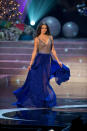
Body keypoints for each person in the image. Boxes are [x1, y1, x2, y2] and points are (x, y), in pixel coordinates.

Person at [13, 23, 70, 108]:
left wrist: (58, 61)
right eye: (42, 28)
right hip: (39, 60)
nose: (44, 29)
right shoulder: (37, 38)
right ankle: (42, 99)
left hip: (47, 60)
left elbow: (53, 50)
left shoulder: (50, 37)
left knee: (45, 80)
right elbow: (34, 51)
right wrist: (30, 64)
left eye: (45, 28)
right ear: (40, 29)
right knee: (37, 80)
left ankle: (44, 98)